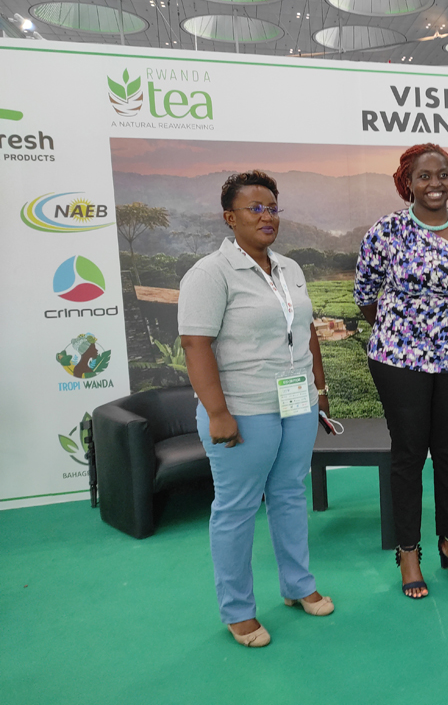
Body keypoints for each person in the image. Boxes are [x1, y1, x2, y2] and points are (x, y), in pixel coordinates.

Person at [179, 170, 334, 649]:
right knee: (237, 507)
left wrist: (319, 391)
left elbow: (305, 332)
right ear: (230, 217)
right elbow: (195, 344)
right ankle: (238, 611)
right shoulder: (210, 273)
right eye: (255, 208)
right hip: (243, 409)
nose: (267, 217)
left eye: (272, 208)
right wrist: (218, 413)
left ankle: (297, 585)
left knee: (289, 493)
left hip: (296, 402)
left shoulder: (289, 268)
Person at [354, 143, 448, 599]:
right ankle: (408, 551)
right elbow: (365, 293)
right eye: (424, 176)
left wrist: (447, 332)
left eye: (443, 175)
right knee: (409, 451)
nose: (435, 184)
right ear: (407, 182)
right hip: (400, 357)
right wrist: (403, 330)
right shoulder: (386, 231)